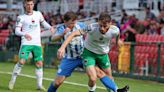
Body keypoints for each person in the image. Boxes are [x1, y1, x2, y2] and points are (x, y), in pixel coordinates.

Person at [57, 12, 129, 92]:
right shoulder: (91, 27)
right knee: (93, 77)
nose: (102, 28)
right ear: (98, 22)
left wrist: (117, 41)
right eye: (100, 25)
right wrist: (62, 47)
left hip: (103, 55)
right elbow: (73, 33)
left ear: (110, 24)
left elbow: (117, 34)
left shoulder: (115, 30)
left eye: (104, 26)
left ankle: (116, 90)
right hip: (89, 54)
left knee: (109, 77)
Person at [8, 0, 54, 91]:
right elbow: (17, 31)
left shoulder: (38, 14)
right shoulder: (21, 17)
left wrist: (50, 27)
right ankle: (12, 81)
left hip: (37, 43)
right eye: (28, 4)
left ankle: (39, 85)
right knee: (21, 61)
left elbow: (43, 23)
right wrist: (24, 34)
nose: (30, 6)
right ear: (25, 5)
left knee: (39, 63)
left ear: (33, 5)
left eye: (31, 4)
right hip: (26, 43)